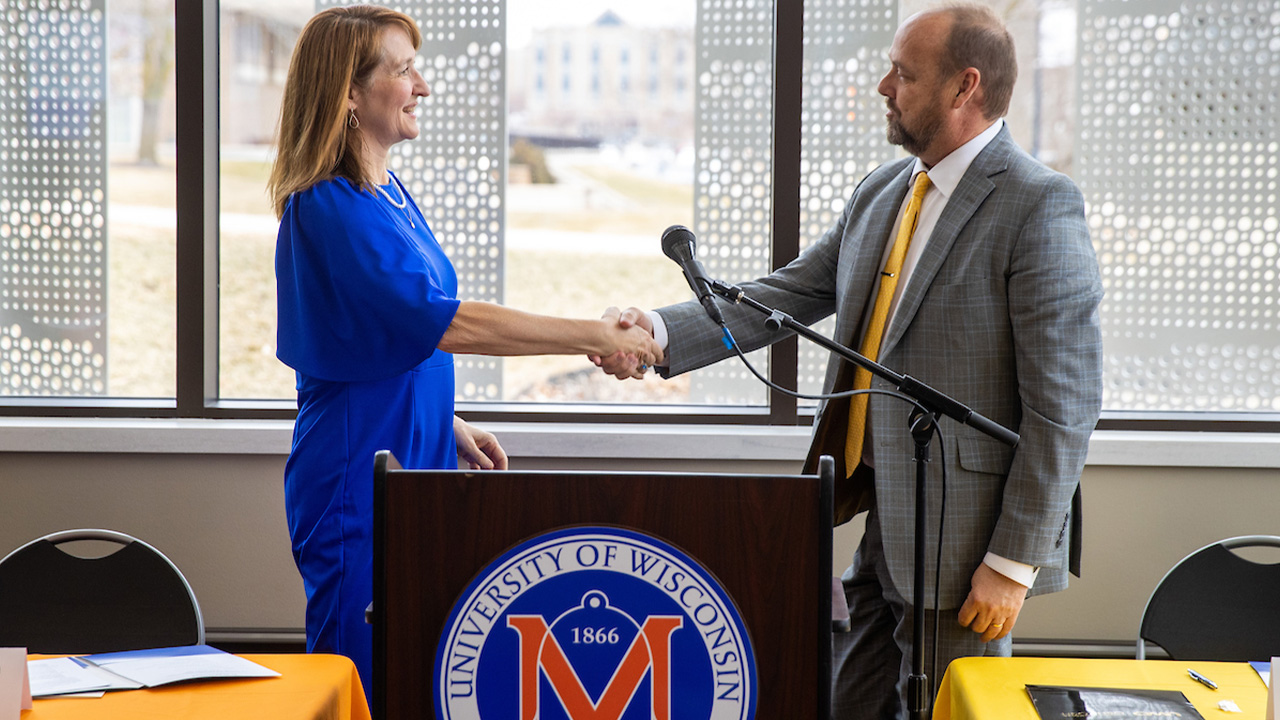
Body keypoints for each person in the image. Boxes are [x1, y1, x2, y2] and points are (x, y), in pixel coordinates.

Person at [594, 3, 1103, 716]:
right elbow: (785, 296)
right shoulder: (884, 191)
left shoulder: (1039, 205)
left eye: (903, 73)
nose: (882, 87)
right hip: (883, 521)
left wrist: (1012, 562)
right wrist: (655, 332)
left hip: (968, 547)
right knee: (854, 703)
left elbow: (1066, 405)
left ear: (965, 87)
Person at [267, 5, 660, 703]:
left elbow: (381, 340)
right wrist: (596, 336)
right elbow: (447, 323)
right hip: (357, 476)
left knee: (419, 668)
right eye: (404, 70)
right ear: (348, 93)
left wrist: (446, 421)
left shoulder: (385, 193)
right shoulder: (328, 206)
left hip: (414, 455)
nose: (422, 86)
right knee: (360, 679)